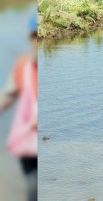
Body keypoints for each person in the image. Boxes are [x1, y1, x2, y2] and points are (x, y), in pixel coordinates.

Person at [0, 15, 38, 201]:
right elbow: (7, 95)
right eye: (36, 36)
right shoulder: (24, 65)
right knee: (32, 189)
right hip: (27, 144)